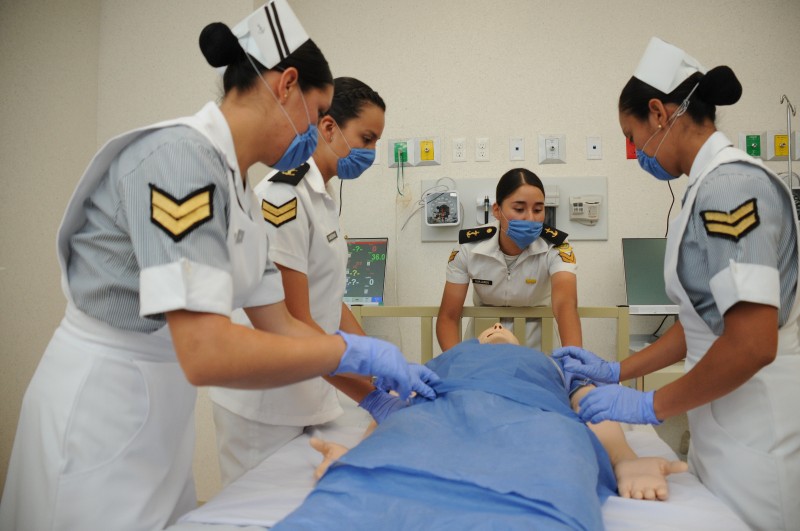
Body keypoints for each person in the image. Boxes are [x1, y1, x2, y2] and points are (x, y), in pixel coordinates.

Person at [0, 3, 437, 530]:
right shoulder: (179, 160)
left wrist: (377, 380)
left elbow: (280, 322)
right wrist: (350, 351)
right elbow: (204, 349)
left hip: (159, 405)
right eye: (317, 109)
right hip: (102, 404)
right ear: (287, 85)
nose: (314, 130)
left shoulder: (239, 190)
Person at [554, 37, 800, 531]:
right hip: (725, 430)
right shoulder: (703, 189)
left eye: (632, 137)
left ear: (658, 113)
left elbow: (752, 343)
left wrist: (650, 404)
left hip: (759, 438)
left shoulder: (731, 189)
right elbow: (702, 324)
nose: (636, 153)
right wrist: (616, 371)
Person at [274, 323, 687, 530]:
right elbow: (399, 409)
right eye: (488, 329)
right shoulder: (444, 360)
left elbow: (592, 408)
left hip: (537, 421)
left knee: (557, 469)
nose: (496, 328)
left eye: (504, 328)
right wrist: (361, 454)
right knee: (383, 464)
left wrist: (624, 460)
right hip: (440, 416)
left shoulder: (553, 364)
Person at [209, 77, 388, 486]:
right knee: (258, 508)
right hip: (263, 400)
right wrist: (370, 394)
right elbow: (293, 318)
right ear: (329, 127)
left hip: (305, 387)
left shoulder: (322, 197)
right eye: (366, 138)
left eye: (376, 142)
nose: (371, 152)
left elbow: (329, 301)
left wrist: (377, 363)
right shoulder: (282, 197)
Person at [437, 168, 582, 351]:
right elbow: (448, 317)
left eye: (538, 209)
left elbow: (565, 306)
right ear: (497, 210)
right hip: (482, 352)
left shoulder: (556, 247)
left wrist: (574, 360)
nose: (530, 218)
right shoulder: (469, 247)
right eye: (519, 209)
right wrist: (458, 361)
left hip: (537, 351)